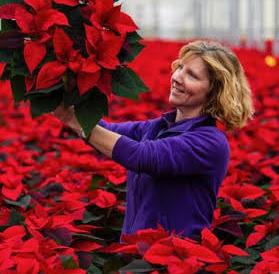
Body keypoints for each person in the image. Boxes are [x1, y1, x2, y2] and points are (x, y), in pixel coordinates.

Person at [53, 40, 254, 240]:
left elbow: (142, 157)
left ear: (214, 93)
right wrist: (62, 99)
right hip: (136, 255)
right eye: (180, 68)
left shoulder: (210, 142)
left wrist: (75, 121)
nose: (177, 77)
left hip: (172, 264)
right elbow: (107, 130)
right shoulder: (159, 126)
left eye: (191, 75)